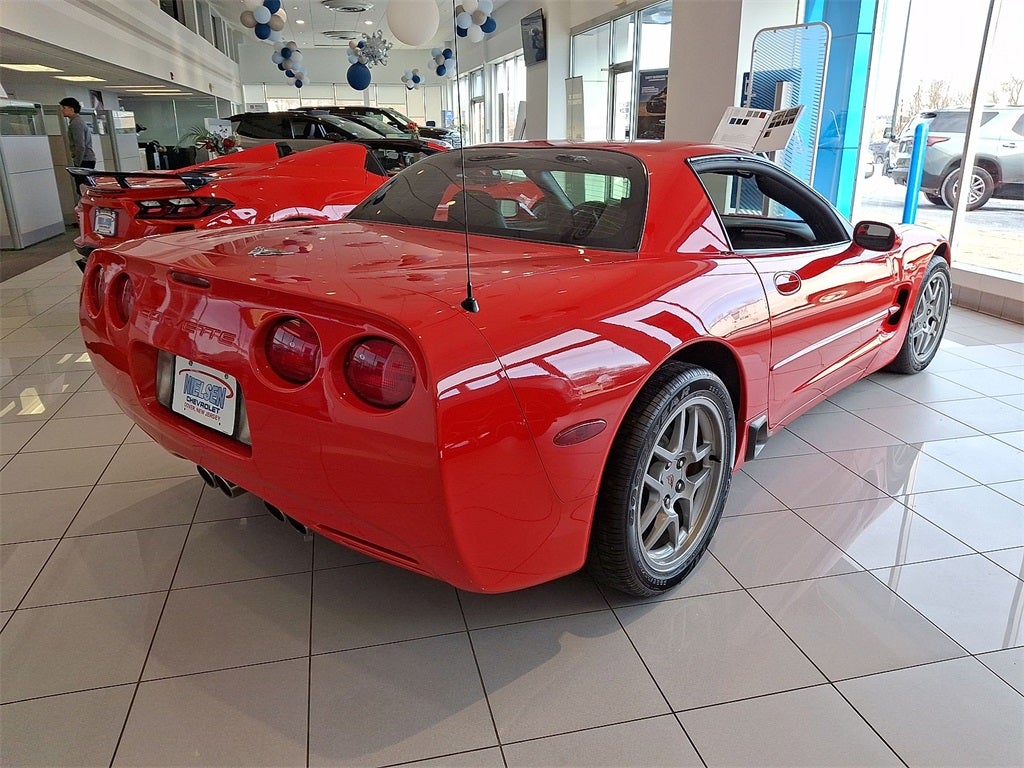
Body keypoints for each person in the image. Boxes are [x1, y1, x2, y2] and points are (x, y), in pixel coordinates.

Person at [59, 97, 96, 196]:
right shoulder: (77, 121)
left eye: (64, 108)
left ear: (71, 109)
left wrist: (77, 163)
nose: (62, 110)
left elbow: (80, 145)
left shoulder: (76, 123)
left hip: (84, 160)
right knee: (84, 187)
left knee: (82, 189)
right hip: (86, 159)